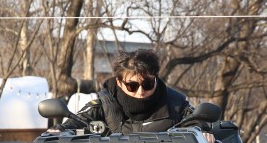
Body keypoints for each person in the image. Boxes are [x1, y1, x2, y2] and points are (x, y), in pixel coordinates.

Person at [59, 49, 195, 135]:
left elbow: (198, 121)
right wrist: (59, 131)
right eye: (132, 86)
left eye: (147, 84)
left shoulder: (177, 105)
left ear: (156, 79)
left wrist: (201, 128)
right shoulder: (103, 105)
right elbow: (77, 122)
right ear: (119, 82)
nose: (140, 91)